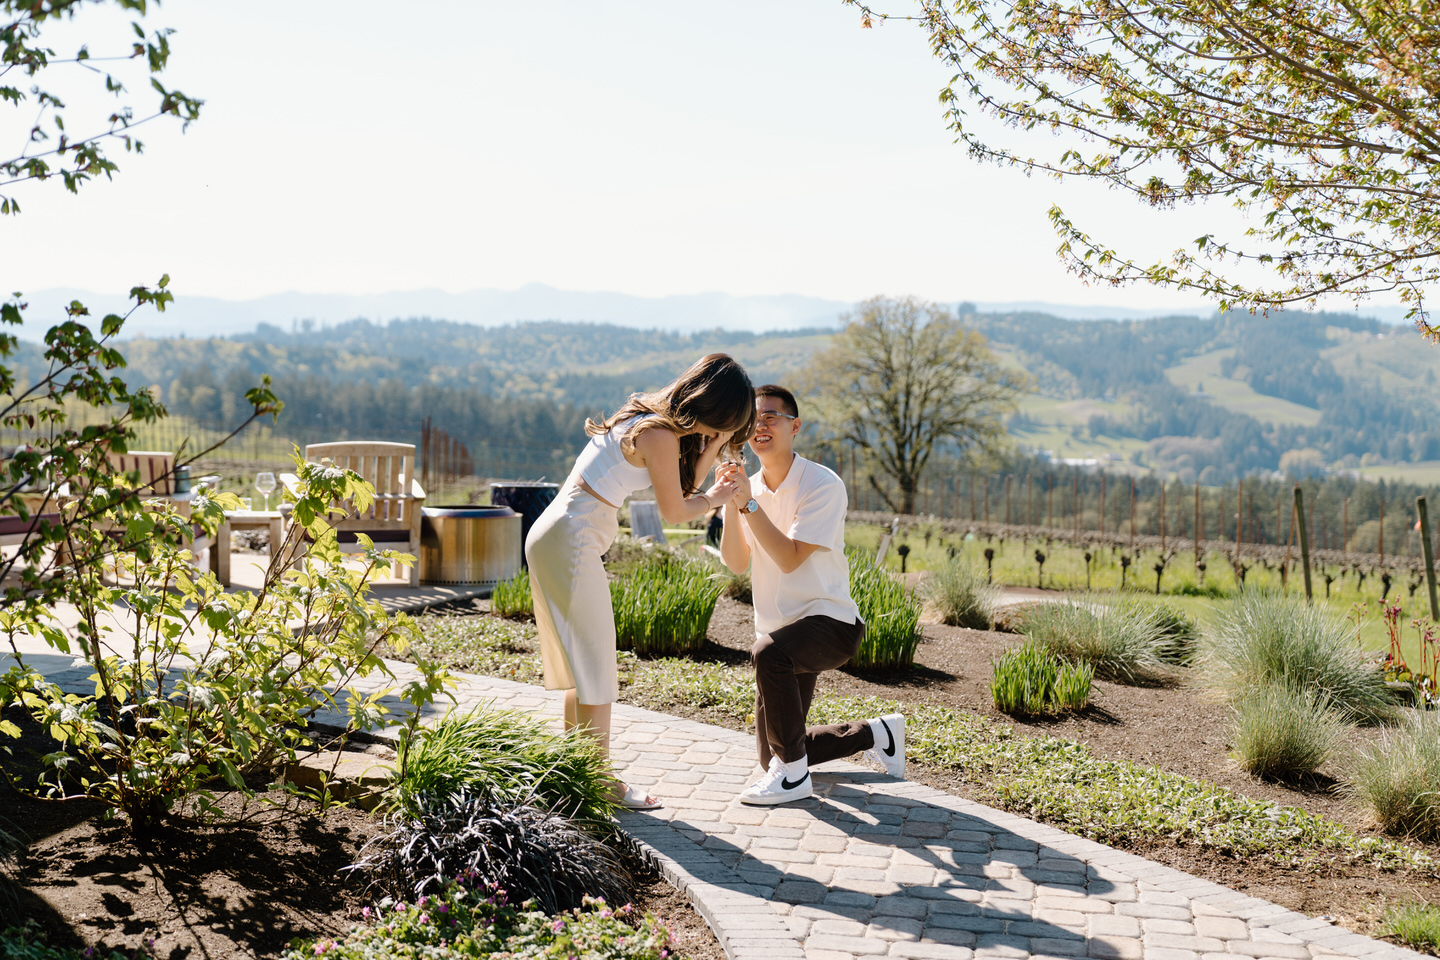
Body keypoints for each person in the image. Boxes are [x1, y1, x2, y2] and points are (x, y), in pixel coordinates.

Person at [526, 353, 755, 810]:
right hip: (570, 542)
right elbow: (679, 510)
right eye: (731, 423)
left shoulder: (651, 423)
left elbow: (681, 489)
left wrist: (714, 443)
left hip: (558, 536)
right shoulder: (659, 435)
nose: (729, 432)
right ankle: (599, 782)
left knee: (583, 665)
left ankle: (575, 774)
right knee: (594, 662)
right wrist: (721, 496)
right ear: (717, 407)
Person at [718, 384, 905, 805]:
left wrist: (748, 506)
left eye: (770, 417)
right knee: (775, 754)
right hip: (781, 630)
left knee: (767, 656)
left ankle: (794, 781)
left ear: (794, 426)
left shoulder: (821, 484)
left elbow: (790, 559)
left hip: (830, 624)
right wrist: (734, 503)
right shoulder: (748, 489)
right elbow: (735, 562)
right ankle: (878, 733)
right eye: (752, 420)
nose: (759, 426)